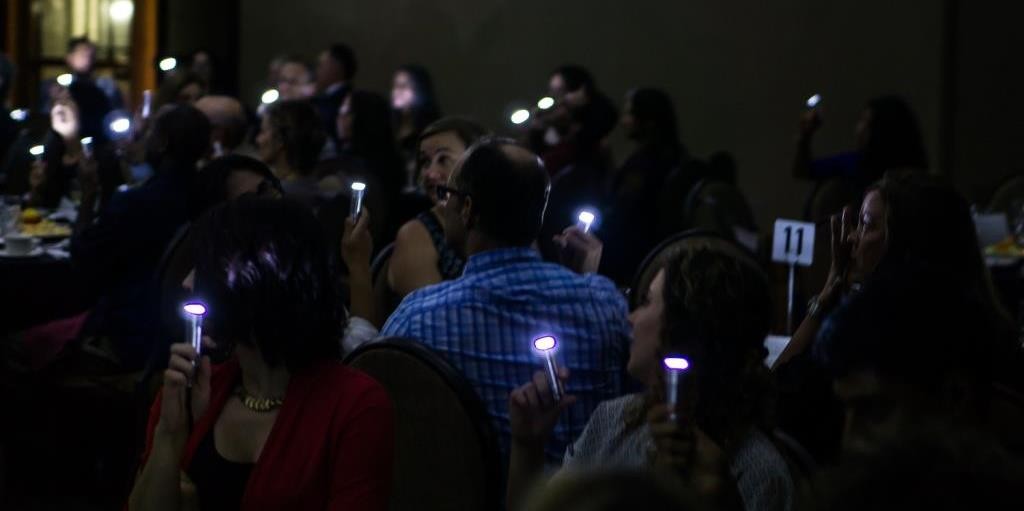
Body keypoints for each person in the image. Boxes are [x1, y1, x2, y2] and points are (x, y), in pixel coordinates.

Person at [128, 197, 394, 510]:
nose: (187, 283)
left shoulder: (357, 406)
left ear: (259, 281)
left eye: (206, 269)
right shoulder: (192, 390)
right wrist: (170, 435)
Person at [381, 138, 633, 462]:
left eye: (448, 194)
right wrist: (582, 284)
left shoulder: (416, 319)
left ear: (467, 209)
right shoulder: (606, 305)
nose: (443, 204)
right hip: (587, 488)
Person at [507, 246, 793, 511]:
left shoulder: (758, 473)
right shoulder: (613, 419)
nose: (630, 318)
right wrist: (527, 444)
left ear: (685, 328)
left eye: (646, 302)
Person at [773, 174, 1018, 382]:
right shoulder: (990, 332)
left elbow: (780, 385)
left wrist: (827, 293)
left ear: (907, 244)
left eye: (867, 224)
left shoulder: (874, 337)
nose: (851, 237)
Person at [70, 104, 211, 369]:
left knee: (19, 345)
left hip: (128, 335)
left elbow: (81, 258)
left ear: (162, 142)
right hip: (182, 331)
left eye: (149, 134)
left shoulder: (137, 203)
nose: (144, 141)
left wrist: (88, 194)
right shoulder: (210, 196)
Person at [386, 117, 489, 301]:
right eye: (425, 162)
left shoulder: (505, 220)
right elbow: (430, 314)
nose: (430, 174)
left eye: (443, 159)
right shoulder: (415, 235)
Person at [597, 88, 686, 285]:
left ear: (648, 120)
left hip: (635, 263)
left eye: (629, 114)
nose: (623, 121)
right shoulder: (675, 156)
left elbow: (623, 212)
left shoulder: (646, 165)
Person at [792, 95, 928, 211]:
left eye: (866, 122)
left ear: (882, 131)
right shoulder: (853, 162)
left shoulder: (908, 182)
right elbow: (803, 170)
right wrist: (805, 136)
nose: (858, 129)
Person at [527, 65, 617, 176]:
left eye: (563, 91)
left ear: (582, 91)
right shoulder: (548, 130)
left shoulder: (594, 125)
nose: (558, 100)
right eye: (552, 92)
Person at [255, 99, 328, 209]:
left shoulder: (274, 199)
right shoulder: (321, 192)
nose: (258, 140)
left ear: (280, 140)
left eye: (263, 131)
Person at [391, 65, 441, 188]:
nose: (396, 92)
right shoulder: (390, 124)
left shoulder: (430, 128)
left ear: (419, 90)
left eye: (403, 86)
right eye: (395, 86)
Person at [39, 37, 123, 111]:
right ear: (69, 58)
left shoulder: (107, 86)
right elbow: (45, 112)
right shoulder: (56, 85)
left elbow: (117, 113)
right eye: (82, 55)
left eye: (91, 55)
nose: (87, 59)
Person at [312, 44, 357, 138]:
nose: (316, 70)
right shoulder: (324, 97)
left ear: (335, 67)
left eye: (321, 65)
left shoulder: (344, 99)